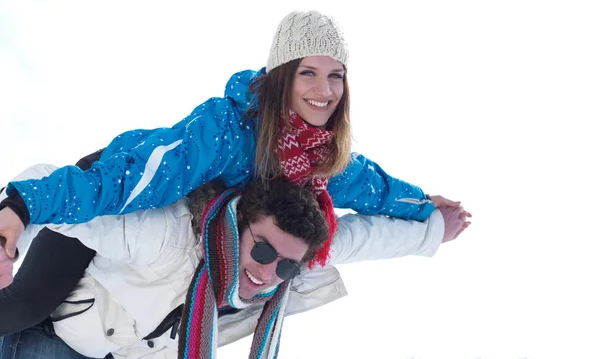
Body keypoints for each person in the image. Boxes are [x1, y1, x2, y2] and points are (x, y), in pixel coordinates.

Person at [0, 10, 462, 270]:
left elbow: (376, 190)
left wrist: (423, 205)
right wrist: (22, 208)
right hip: (116, 182)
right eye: (308, 73)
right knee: (29, 309)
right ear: (282, 76)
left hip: (165, 236)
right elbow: (135, 180)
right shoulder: (227, 130)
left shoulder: (322, 158)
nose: (324, 92)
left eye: (335, 76)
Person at [0, 164, 469, 359]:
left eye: (285, 267)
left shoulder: (289, 263)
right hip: (55, 339)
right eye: (263, 250)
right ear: (239, 224)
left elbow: (367, 239)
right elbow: (58, 187)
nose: (268, 273)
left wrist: (432, 229)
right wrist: (11, 230)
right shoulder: (164, 234)